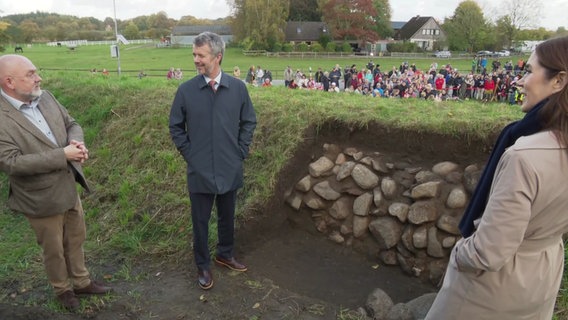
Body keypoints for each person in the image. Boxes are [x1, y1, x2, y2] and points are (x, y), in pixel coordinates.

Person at [426, 36, 568, 320]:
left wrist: (460, 252)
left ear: (558, 81)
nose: (520, 81)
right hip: (541, 274)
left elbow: (488, 252)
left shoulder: (525, 156)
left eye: (529, 71)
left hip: (491, 292)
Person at [0, 55, 112, 311]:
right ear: (9, 82)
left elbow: (71, 123)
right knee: (53, 248)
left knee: (75, 238)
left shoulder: (46, 97)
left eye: (36, 72)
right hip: (38, 197)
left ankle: (82, 282)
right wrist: (63, 155)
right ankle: (62, 289)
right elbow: (10, 163)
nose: (38, 78)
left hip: (68, 187)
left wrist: (76, 142)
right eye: (30, 74)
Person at [168, 32, 257, 291]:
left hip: (230, 166)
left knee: (227, 215)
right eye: (194, 54)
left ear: (217, 57)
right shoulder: (186, 91)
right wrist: (191, 155)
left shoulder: (238, 88)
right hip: (200, 170)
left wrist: (240, 150)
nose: (196, 60)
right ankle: (203, 264)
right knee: (200, 220)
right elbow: (175, 127)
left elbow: (249, 121)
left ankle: (225, 254)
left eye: (201, 55)